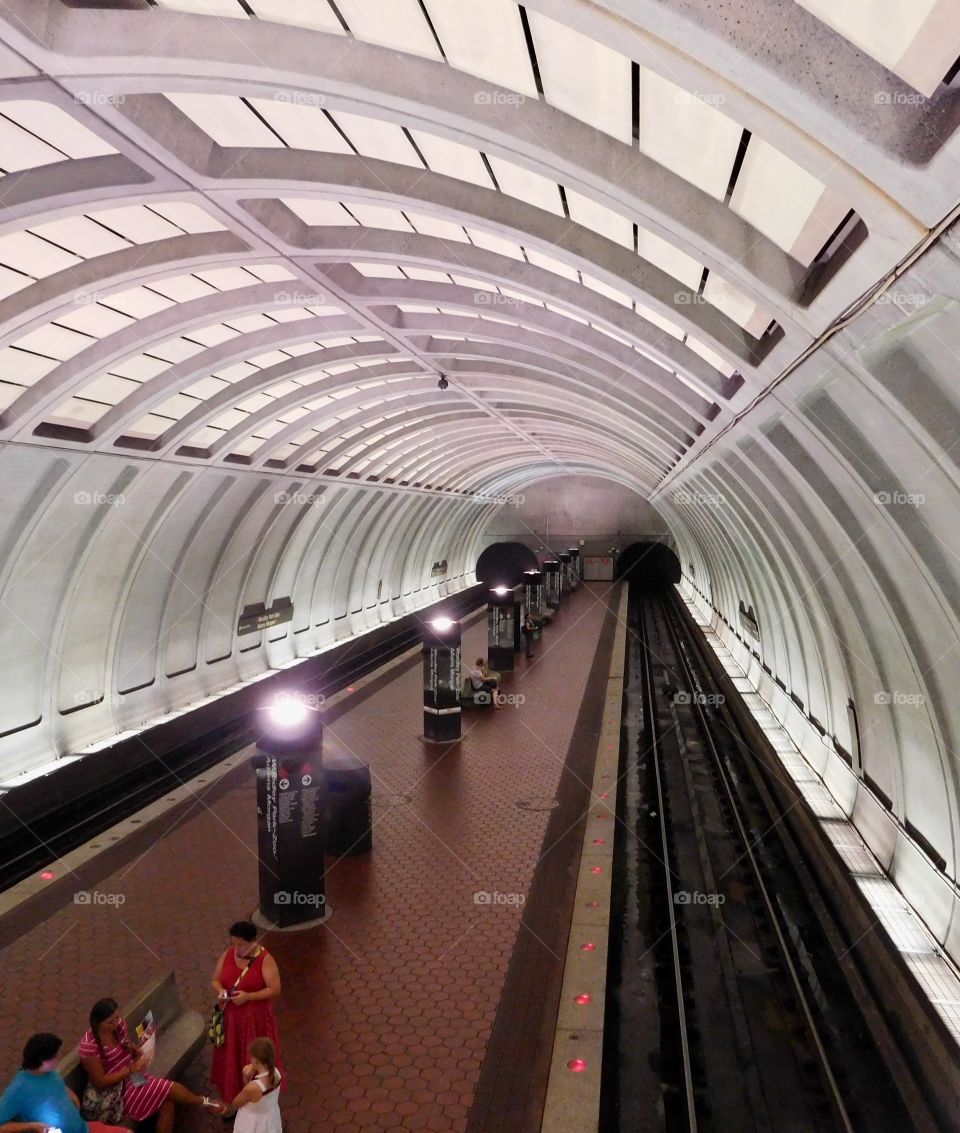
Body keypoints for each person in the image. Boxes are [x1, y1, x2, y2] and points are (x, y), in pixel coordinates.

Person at [79, 999, 222, 1133]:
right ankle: (203, 1102)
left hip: (134, 1076)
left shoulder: (118, 1025)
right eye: (111, 1022)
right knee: (168, 1090)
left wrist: (135, 1050)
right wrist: (129, 1070)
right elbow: (101, 1081)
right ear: (98, 1024)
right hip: (117, 1091)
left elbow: (125, 1043)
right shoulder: (89, 1046)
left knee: (167, 1102)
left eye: (117, 1017)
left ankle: (206, 1103)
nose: (117, 1023)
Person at [211, 922, 283, 1112]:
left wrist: (248, 996)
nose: (237, 949)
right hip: (231, 1020)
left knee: (254, 1059)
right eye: (234, 944)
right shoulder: (228, 954)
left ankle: (256, 1097)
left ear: (253, 941)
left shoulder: (265, 959)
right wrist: (220, 991)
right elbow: (215, 979)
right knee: (231, 1060)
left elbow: (275, 989)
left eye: (241, 944)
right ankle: (232, 1100)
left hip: (255, 1021)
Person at [0, 1032, 126, 1133]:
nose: (58, 1059)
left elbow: (59, 1087)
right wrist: (33, 1126)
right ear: (41, 1060)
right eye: (55, 1056)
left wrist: (74, 1099)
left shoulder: (50, 1072)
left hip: (84, 1128)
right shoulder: (18, 1090)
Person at [220, 1039, 281, 1133]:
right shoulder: (277, 1073)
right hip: (271, 1118)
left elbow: (236, 1103)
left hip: (253, 1123)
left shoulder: (253, 1087)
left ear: (256, 1060)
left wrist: (245, 1076)